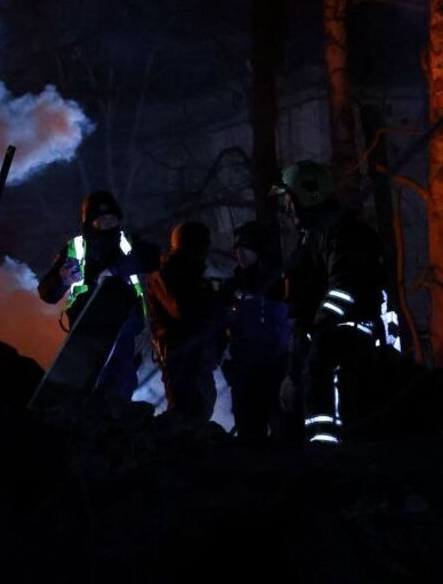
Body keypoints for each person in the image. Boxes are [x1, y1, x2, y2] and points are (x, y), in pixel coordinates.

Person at [273, 161, 385, 446]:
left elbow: (343, 286)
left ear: (307, 195)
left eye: (289, 201)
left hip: (348, 328)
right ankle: (304, 447)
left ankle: (325, 445)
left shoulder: (344, 234)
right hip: (320, 329)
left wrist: (322, 323)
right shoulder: (315, 237)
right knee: (299, 377)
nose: (286, 209)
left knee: (320, 367)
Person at [37, 190, 152, 402]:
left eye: (112, 219)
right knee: (86, 390)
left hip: (123, 329)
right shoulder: (75, 248)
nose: (108, 224)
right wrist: (62, 279)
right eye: (101, 220)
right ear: (89, 222)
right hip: (86, 334)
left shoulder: (127, 243)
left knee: (121, 387)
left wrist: (118, 268)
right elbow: (47, 293)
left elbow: (152, 258)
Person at [146, 222, 225, 422]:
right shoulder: (165, 275)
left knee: (200, 409)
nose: (205, 251)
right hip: (180, 357)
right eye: (202, 245)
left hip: (198, 355)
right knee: (184, 415)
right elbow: (181, 309)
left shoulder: (192, 275)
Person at [221, 220, 291, 443]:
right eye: (237, 249)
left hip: (276, 369)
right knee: (250, 436)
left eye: (246, 248)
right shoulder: (231, 286)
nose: (240, 254)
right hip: (243, 371)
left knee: (284, 433)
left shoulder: (280, 282)